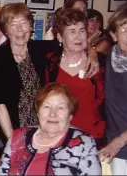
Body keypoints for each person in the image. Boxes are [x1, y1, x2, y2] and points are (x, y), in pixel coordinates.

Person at [0, 3, 99, 141]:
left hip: (43, 131)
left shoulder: (40, 49)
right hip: (10, 131)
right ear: (5, 30)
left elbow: (70, 43)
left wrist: (93, 53)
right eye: (13, 24)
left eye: (24, 23)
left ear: (31, 26)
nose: (20, 30)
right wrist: (13, 141)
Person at [0, 83, 101, 175]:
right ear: (37, 111)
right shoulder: (17, 137)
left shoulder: (84, 143)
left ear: (70, 115)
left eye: (60, 108)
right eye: (47, 107)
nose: (52, 114)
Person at [45, 8, 106, 146]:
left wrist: (92, 51)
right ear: (60, 37)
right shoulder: (49, 63)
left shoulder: (101, 63)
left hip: (93, 141)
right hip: (58, 141)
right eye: (72, 31)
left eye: (82, 30)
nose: (78, 36)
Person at [99, 2, 127, 174]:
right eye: (124, 30)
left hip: (120, 142)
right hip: (114, 146)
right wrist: (90, 52)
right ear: (113, 35)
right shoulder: (111, 56)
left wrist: (119, 141)